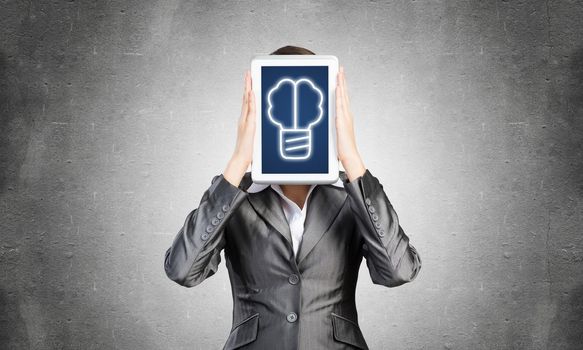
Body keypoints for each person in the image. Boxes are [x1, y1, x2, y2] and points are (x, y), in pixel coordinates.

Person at [163, 45, 422, 350]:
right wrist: (238, 161)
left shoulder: (353, 198)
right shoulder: (236, 197)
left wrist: (351, 156)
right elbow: (183, 269)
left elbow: (399, 270)